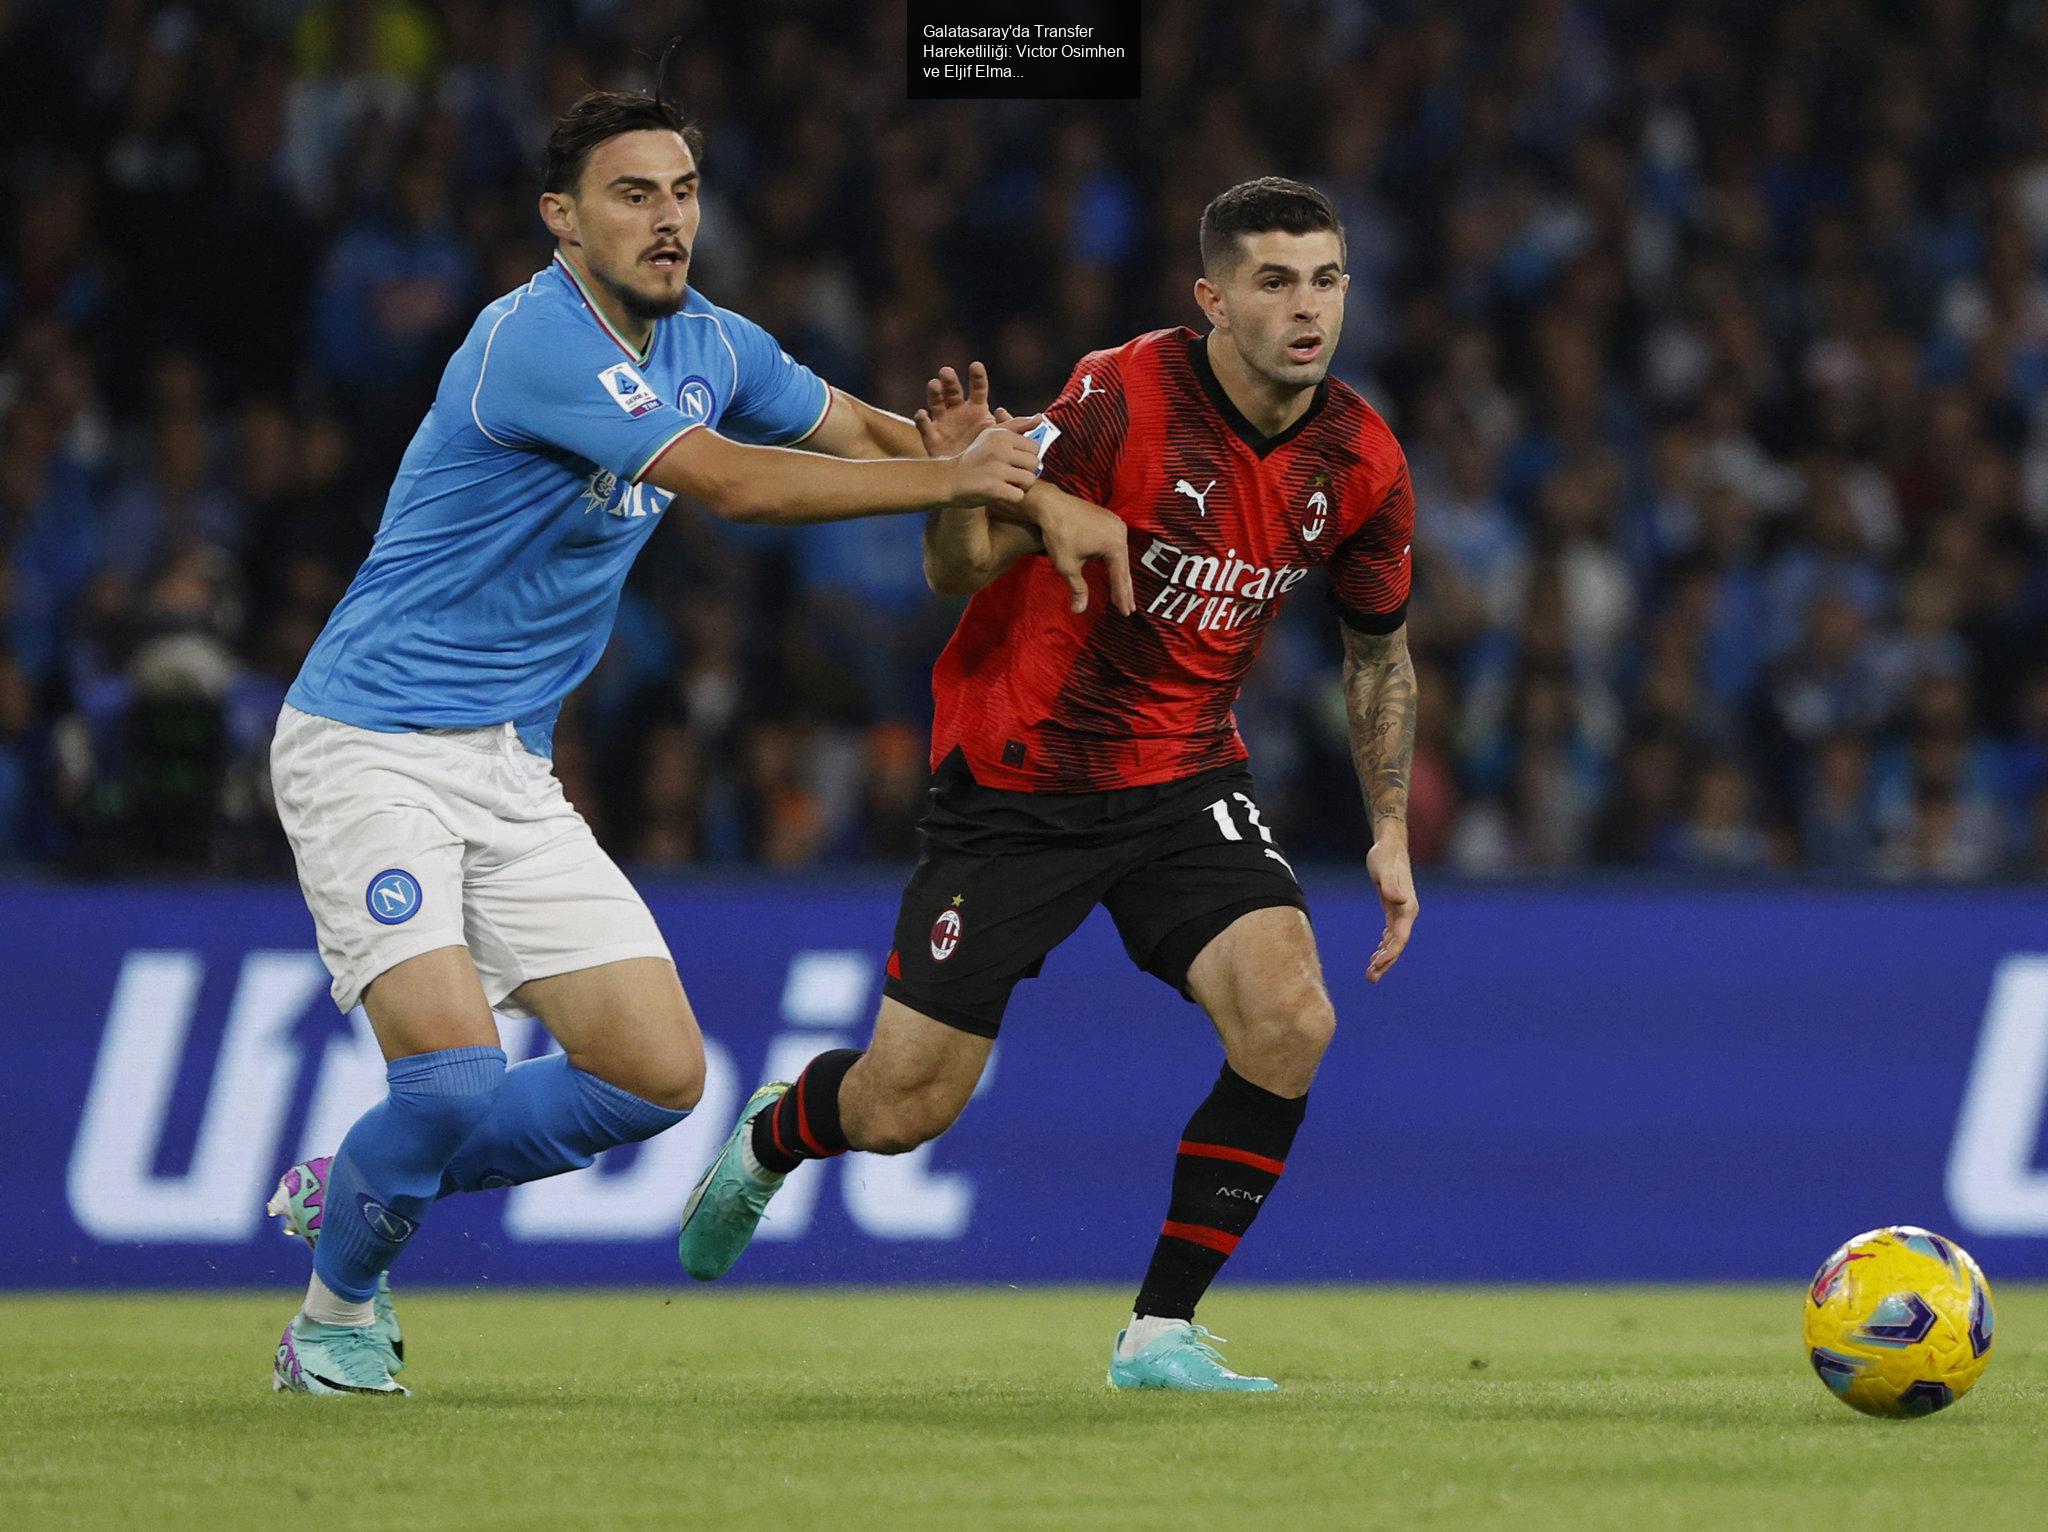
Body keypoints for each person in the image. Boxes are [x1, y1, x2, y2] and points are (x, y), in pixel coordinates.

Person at [260, 88, 1128, 1397]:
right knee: (444, 1076)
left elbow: (873, 437)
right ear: (562, 218)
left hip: (507, 764)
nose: (669, 219)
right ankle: (333, 1314)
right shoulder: (531, 344)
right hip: (370, 742)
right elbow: (734, 482)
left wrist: (1019, 481)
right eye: (632, 194)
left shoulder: (713, 342)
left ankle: (367, 1180)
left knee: (656, 1076)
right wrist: (955, 481)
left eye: (682, 191)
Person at [677, 178, 1421, 1392]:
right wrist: (968, 479)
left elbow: (1377, 646)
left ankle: (1159, 1332)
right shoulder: (1121, 394)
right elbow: (961, 566)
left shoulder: (1361, 456)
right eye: (1274, 280)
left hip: (1184, 775)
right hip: (1017, 780)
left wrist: (1386, 825)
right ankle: (775, 1130)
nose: (1306, 307)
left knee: (1291, 1014)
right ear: (1212, 298)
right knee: (905, 1103)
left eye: (1326, 279)